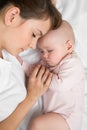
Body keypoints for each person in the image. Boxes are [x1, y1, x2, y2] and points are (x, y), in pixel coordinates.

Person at [0, 0, 62, 130]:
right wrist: (31, 98)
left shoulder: (8, 52)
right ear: (12, 16)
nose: (33, 45)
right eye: (34, 34)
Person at [24, 20, 85, 130]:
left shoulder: (72, 64)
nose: (44, 56)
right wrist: (21, 63)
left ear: (69, 46)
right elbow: (33, 70)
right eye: (41, 51)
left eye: (50, 50)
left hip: (67, 119)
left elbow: (60, 85)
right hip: (53, 115)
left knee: (37, 124)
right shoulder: (46, 63)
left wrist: (41, 76)